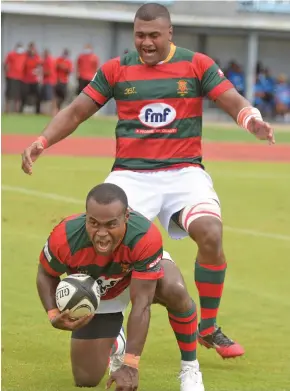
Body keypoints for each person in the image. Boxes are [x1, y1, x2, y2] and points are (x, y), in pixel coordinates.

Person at [22, 2, 275, 360]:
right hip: (131, 175)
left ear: (170, 33)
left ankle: (209, 327)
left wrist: (252, 120)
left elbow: (231, 99)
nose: (146, 42)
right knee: (106, 242)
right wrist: (42, 140)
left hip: (184, 172)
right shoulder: (116, 69)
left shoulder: (196, 64)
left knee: (211, 234)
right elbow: (78, 109)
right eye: (140, 35)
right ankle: (111, 328)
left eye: (154, 35)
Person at [37, 183, 204, 391]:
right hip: (98, 292)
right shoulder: (65, 236)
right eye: (94, 223)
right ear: (86, 216)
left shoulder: (144, 236)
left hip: (136, 277)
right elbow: (46, 274)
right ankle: (116, 341)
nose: (101, 233)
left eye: (110, 224)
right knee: (85, 378)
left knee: (174, 289)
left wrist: (131, 364)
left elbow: (141, 304)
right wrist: (53, 313)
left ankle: (190, 368)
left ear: (126, 216)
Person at [4, 42, 26, 113]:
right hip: (11, 77)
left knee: (18, 95)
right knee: (9, 95)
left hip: (20, 78)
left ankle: (16, 111)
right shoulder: (11, 54)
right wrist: (6, 73)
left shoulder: (24, 55)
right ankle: (7, 110)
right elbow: (6, 64)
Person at [20, 42, 42, 115]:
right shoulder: (25, 57)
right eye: (31, 48)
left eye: (33, 48)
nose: (32, 50)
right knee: (24, 95)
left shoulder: (37, 57)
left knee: (38, 95)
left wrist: (37, 72)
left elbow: (40, 67)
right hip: (26, 80)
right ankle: (21, 110)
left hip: (34, 80)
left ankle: (37, 111)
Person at [41, 49, 57, 116]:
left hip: (49, 81)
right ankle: (53, 111)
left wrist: (40, 73)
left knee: (49, 97)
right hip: (50, 81)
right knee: (51, 96)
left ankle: (51, 112)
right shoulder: (49, 60)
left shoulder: (48, 60)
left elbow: (49, 71)